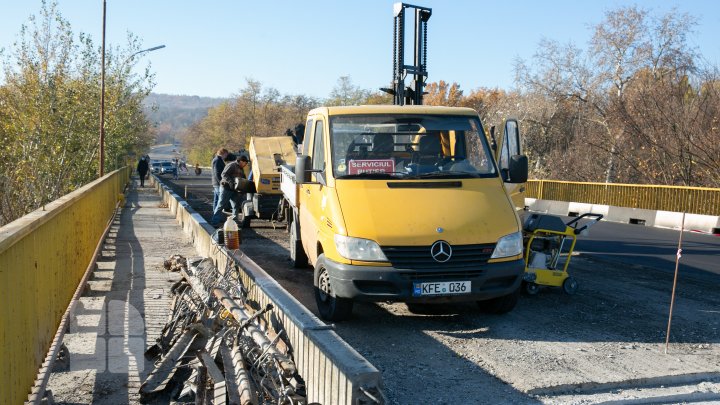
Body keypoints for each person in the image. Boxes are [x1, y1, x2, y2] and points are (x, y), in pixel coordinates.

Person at [210, 155, 250, 227]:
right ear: (241, 161)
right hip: (226, 188)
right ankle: (214, 222)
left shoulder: (241, 168)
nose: (245, 165)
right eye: (245, 163)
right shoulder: (232, 165)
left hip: (234, 190)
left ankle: (234, 222)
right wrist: (230, 182)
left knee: (236, 206)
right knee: (221, 204)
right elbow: (224, 174)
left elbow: (243, 178)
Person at [211, 148, 229, 213]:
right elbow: (217, 173)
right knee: (220, 201)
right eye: (226, 154)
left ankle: (215, 213)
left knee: (216, 200)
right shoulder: (218, 160)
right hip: (218, 183)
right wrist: (221, 182)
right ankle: (217, 216)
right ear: (223, 153)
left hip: (216, 183)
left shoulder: (217, 160)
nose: (226, 156)